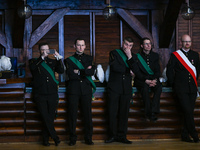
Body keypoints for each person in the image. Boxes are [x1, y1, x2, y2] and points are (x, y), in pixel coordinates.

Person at [105, 37, 140, 144]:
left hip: (126, 89)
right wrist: (129, 70)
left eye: (130, 45)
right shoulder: (114, 53)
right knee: (112, 112)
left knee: (124, 114)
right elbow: (115, 67)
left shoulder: (133, 56)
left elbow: (137, 71)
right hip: (114, 88)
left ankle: (122, 136)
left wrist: (129, 57)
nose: (127, 47)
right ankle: (112, 136)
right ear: (122, 43)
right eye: (126, 44)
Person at [29, 43, 64, 146]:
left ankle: (45, 140)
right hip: (40, 94)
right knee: (45, 116)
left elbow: (61, 70)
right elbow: (33, 69)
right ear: (39, 51)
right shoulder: (34, 61)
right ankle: (55, 137)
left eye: (47, 50)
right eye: (43, 50)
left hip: (52, 93)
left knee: (49, 117)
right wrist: (42, 58)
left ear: (49, 50)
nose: (45, 51)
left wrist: (58, 58)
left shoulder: (52, 61)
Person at [166, 34, 200, 143]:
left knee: (188, 112)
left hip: (192, 89)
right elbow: (169, 71)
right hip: (181, 88)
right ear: (181, 42)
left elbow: (197, 71)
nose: (187, 43)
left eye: (189, 41)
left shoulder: (195, 55)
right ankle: (194, 134)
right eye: (185, 41)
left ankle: (185, 135)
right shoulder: (176, 55)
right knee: (187, 111)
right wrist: (173, 84)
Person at [64, 38, 96, 146]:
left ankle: (88, 138)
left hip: (86, 90)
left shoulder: (90, 58)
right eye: (78, 45)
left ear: (85, 46)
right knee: (72, 115)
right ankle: (72, 138)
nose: (81, 47)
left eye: (82, 45)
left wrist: (78, 71)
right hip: (73, 90)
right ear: (74, 46)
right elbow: (70, 74)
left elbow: (91, 72)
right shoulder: (68, 60)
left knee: (87, 115)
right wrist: (84, 72)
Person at [134, 37, 162, 122]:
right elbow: (137, 72)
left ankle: (152, 111)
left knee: (159, 87)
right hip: (141, 80)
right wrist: (146, 80)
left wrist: (154, 80)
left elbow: (157, 70)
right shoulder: (136, 57)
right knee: (145, 89)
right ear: (142, 46)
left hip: (153, 79)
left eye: (150, 43)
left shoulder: (155, 56)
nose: (149, 45)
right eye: (146, 44)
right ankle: (149, 113)